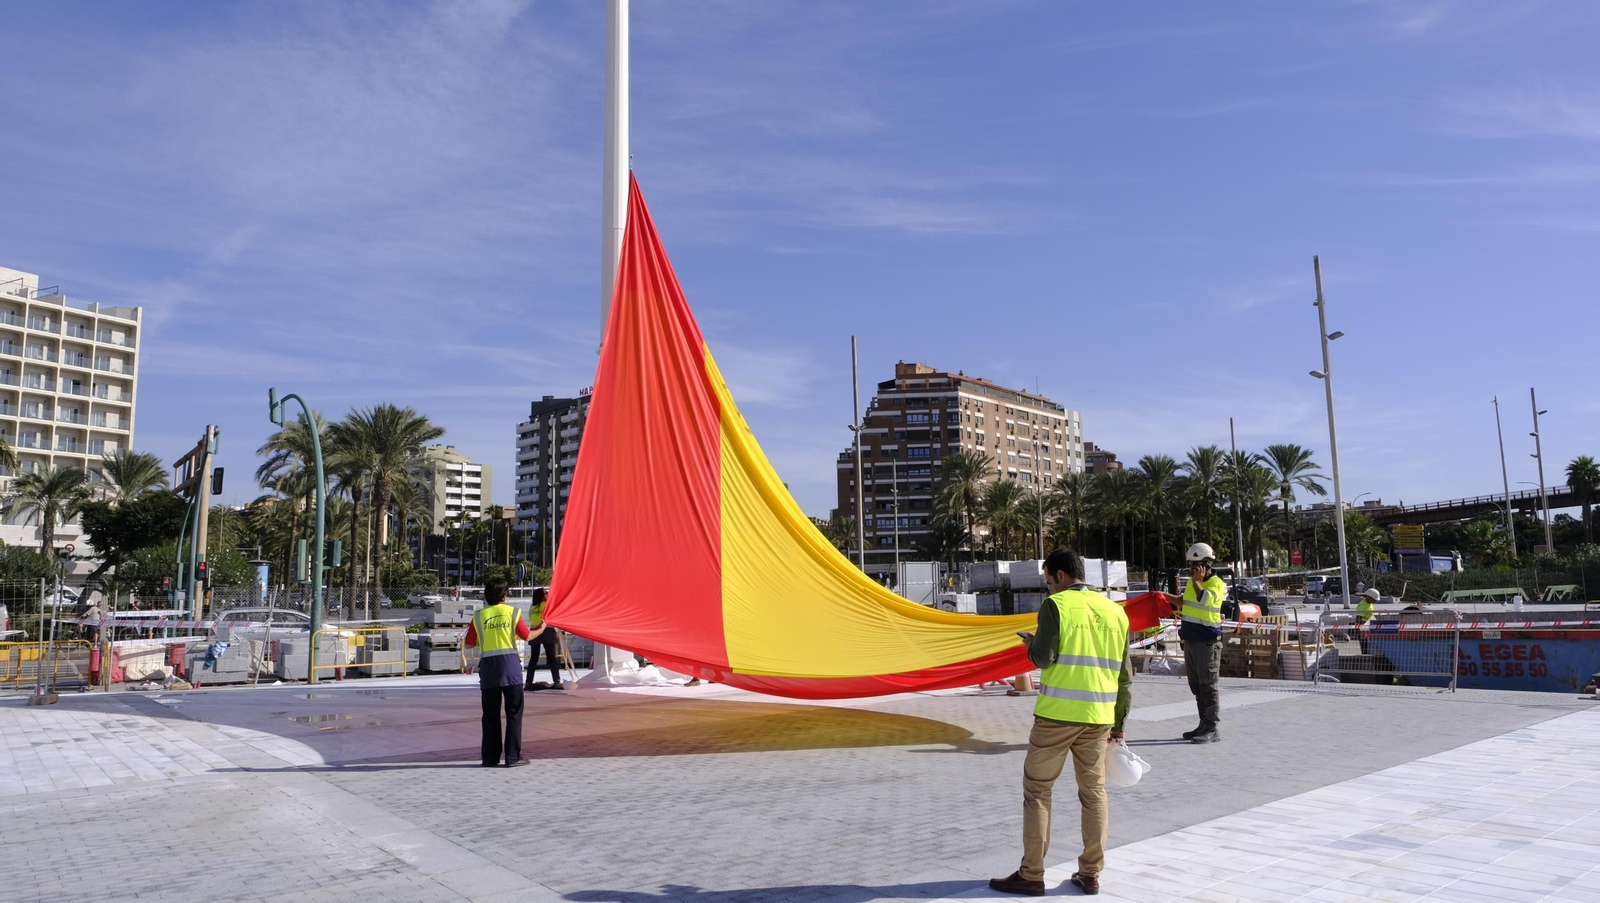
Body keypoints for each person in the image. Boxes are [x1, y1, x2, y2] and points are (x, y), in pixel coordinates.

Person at [990, 548, 1131, 898]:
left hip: (1056, 717)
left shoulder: (1056, 606)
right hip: (1099, 718)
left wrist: (1032, 644)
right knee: (1094, 794)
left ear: (1062, 576)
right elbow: (1126, 677)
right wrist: (1119, 724)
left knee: (1037, 791)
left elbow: (1043, 657)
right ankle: (1090, 873)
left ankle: (1032, 874)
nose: (1048, 587)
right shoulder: (1116, 612)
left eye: (1048, 580)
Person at [464, 577, 540, 767]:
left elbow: (469, 642)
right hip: (510, 669)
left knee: (490, 715)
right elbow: (527, 635)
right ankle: (512, 757)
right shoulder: (512, 613)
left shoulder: (478, 616)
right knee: (514, 713)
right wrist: (543, 628)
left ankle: (490, 758)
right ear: (504, 595)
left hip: (489, 670)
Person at [1175, 543, 1226, 744]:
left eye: (1197, 565)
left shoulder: (1216, 583)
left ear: (1207, 564)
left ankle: (1212, 728)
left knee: (1208, 686)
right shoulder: (1192, 582)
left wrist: (1197, 581)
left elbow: (1204, 599)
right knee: (1196, 686)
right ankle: (1203, 724)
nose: (1193, 569)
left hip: (1207, 643)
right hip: (1190, 639)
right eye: (1191, 565)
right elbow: (1185, 602)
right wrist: (1161, 597)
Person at [523, 587, 563, 691]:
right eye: (546, 592)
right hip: (546, 630)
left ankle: (528, 682)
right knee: (551, 657)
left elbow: (532, 618)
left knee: (533, 658)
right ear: (542, 596)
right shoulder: (546, 605)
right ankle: (557, 681)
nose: (548, 593)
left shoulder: (532, 607)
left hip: (534, 631)